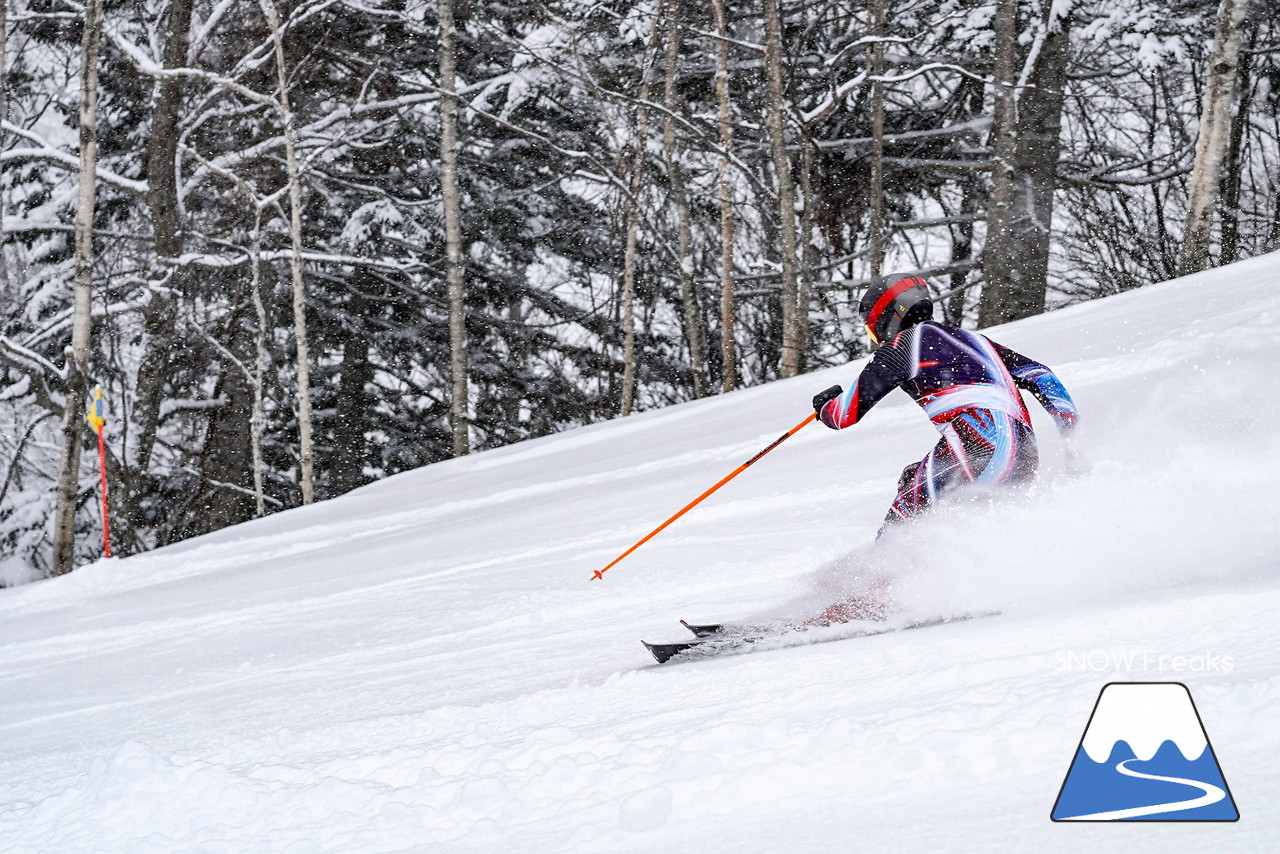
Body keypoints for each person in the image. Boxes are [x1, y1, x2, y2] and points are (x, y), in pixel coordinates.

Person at [804, 274, 1080, 624]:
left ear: (887, 316)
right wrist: (1072, 436)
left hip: (977, 441)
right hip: (1024, 451)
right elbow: (1042, 376)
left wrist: (825, 406)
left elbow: (845, 414)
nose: (876, 339)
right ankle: (985, 580)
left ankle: (874, 597)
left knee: (909, 507)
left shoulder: (904, 345)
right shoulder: (976, 339)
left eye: (873, 330)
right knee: (929, 491)